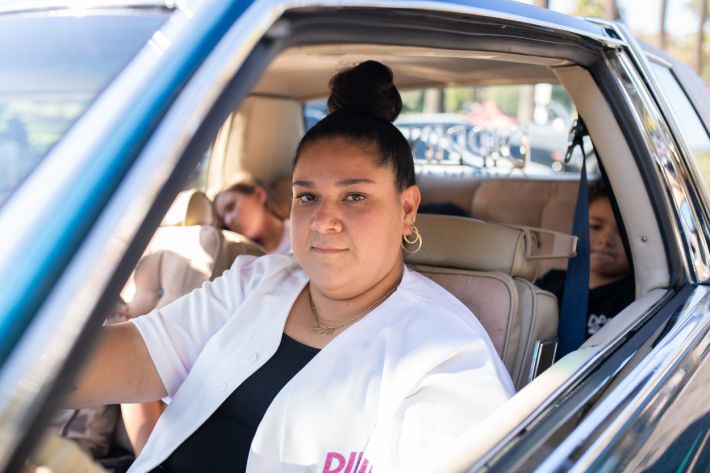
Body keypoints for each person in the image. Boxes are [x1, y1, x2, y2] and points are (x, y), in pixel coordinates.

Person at [68, 60, 514, 473]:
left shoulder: (447, 358)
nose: (323, 220)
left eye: (354, 196)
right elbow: (136, 354)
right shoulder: (257, 280)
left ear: (407, 208)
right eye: (307, 196)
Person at [537, 181, 635, 339]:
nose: (605, 240)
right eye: (595, 227)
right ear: (579, 226)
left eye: (622, 232)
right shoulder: (550, 283)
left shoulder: (637, 300)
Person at [214, 171, 291, 254]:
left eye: (231, 207)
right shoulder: (246, 258)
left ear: (259, 195)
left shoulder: (300, 233)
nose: (228, 221)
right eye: (223, 218)